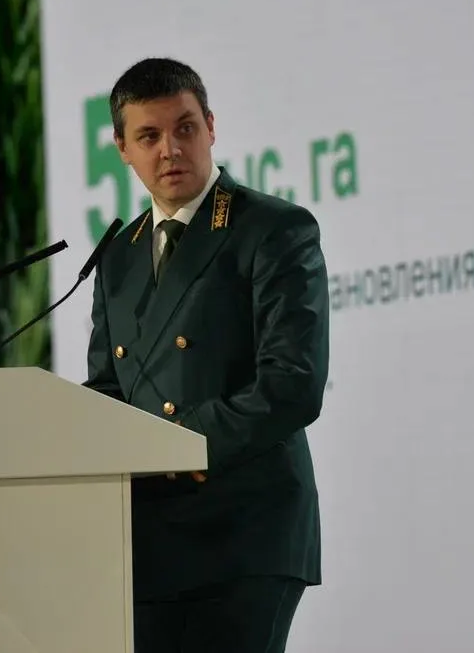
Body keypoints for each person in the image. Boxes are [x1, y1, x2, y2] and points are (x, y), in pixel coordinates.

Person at [83, 57, 330, 653]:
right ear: (122, 149)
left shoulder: (271, 228)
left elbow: (293, 384)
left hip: (245, 532)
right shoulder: (118, 255)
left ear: (211, 127)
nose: (170, 149)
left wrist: (180, 444)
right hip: (151, 540)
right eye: (149, 136)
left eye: (185, 128)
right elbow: (107, 392)